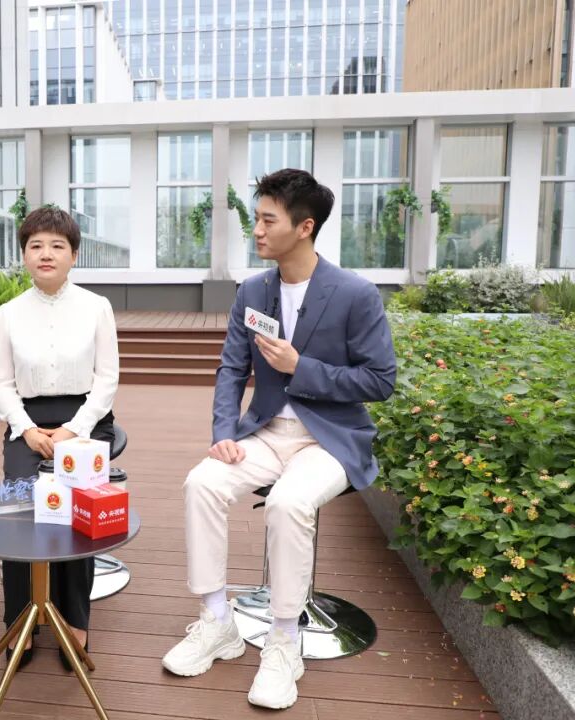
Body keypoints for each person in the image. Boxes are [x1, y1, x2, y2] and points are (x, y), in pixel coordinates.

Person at [161, 169, 397, 709]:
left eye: (268, 220)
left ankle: (284, 641)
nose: (257, 230)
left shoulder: (356, 294)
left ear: (304, 227)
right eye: (257, 218)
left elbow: (380, 381)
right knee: (202, 483)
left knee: (288, 503)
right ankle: (217, 621)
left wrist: (300, 367)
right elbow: (231, 369)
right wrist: (224, 432)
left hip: (329, 439)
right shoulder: (253, 290)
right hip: (265, 432)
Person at [0, 206, 120, 671]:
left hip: (85, 420)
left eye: (57, 246)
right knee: (20, 509)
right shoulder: (7, 314)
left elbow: (107, 380)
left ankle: (74, 619)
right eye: (36, 245)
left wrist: (72, 431)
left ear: (74, 255)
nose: (46, 254)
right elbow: (1, 384)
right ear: (24, 254)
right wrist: (26, 428)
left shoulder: (96, 307)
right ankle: (18, 618)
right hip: (26, 422)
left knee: (75, 511)